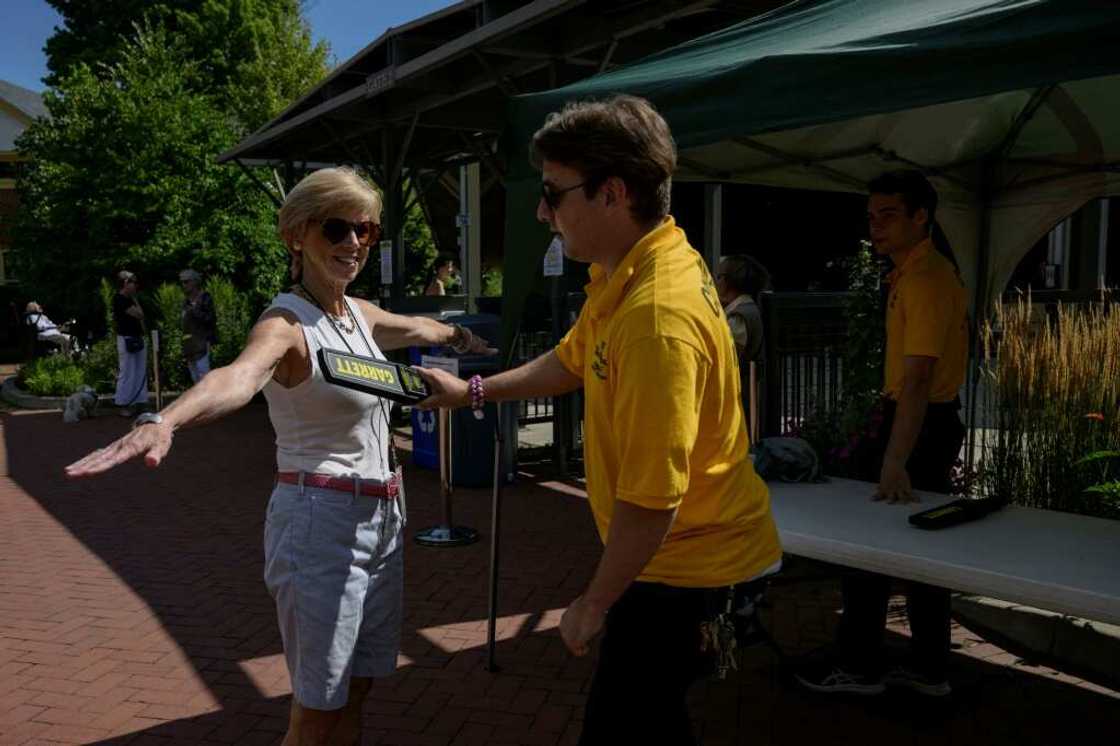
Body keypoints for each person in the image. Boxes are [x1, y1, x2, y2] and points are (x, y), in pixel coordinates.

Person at [65, 167, 493, 746]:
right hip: (321, 525)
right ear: (295, 234)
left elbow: (416, 326)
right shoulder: (286, 324)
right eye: (336, 228)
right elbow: (236, 377)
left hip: (384, 521)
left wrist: (461, 338)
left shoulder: (356, 314)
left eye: (365, 231)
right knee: (316, 712)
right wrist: (164, 419)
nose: (353, 244)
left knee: (361, 686)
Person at [417, 96, 782, 745]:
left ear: (612, 193)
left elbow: (651, 502)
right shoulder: (637, 267)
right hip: (673, 563)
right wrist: (470, 390)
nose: (540, 211)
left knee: (621, 728)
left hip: (682, 571)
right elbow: (571, 360)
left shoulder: (653, 317)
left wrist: (593, 602)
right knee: (651, 724)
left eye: (553, 194)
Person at [794, 170, 968, 698]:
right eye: (871, 216)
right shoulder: (910, 273)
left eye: (889, 214)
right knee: (918, 550)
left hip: (920, 423)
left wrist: (895, 459)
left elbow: (917, 380)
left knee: (867, 546)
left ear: (922, 217)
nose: (876, 226)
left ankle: (864, 665)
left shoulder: (926, 280)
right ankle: (927, 666)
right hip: (916, 420)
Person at [716, 254, 771, 431]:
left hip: (740, 397)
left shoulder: (739, 316)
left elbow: (727, 360)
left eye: (719, 277)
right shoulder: (746, 309)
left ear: (727, 281)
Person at [112, 271, 149, 416]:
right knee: (127, 371)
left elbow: (140, 316)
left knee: (140, 370)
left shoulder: (131, 299)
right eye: (133, 283)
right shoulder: (119, 299)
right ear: (125, 283)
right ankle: (124, 404)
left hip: (137, 337)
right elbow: (140, 314)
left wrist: (135, 300)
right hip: (126, 338)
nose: (136, 286)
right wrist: (135, 301)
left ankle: (140, 402)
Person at [179, 269, 217, 383]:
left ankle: (209, 400)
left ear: (195, 282)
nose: (184, 285)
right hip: (189, 343)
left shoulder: (205, 297)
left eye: (186, 281)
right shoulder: (185, 302)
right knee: (194, 376)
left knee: (204, 374)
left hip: (202, 342)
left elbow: (210, 319)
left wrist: (193, 311)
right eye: (182, 282)